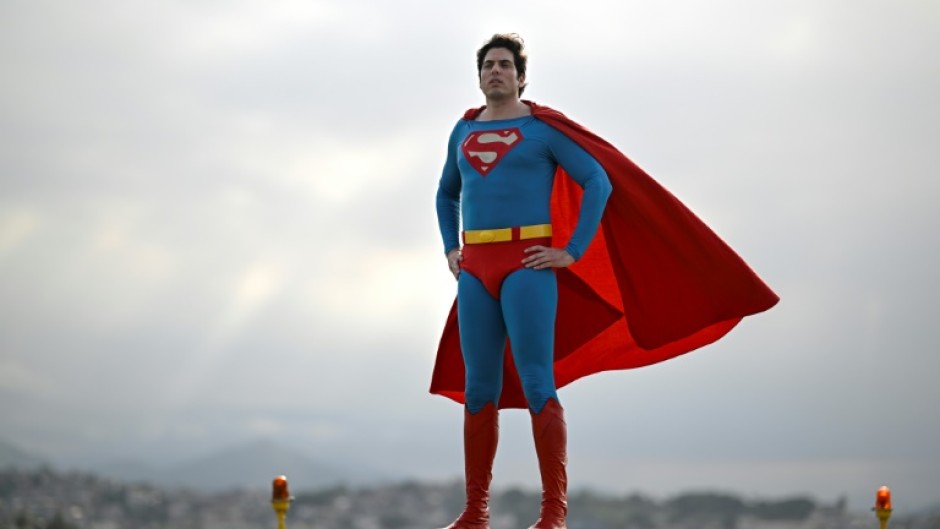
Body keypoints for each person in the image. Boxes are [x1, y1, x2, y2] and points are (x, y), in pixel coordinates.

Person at [432, 34, 778, 529]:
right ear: (479, 75)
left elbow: (598, 181)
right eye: (488, 65)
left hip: (528, 264)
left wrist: (570, 251)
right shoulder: (462, 132)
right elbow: (446, 192)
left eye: (505, 64)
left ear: (521, 76)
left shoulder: (542, 130)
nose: (495, 71)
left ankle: (553, 513)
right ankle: (474, 512)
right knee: (479, 388)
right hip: (476, 268)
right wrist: (450, 247)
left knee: (535, 381)